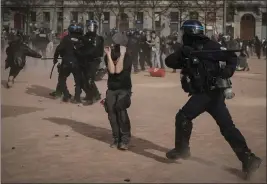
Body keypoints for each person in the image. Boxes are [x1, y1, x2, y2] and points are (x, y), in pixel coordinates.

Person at [165, 20, 261, 180]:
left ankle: (182, 150)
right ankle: (248, 159)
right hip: (209, 94)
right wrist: (184, 53)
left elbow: (231, 57)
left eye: (184, 33)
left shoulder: (212, 46)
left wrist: (227, 72)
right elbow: (169, 62)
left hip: (208, 93)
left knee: (183, 116)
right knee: (227, 127)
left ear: (190, 33)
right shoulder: (188, 50)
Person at [103, 44, 132, 150]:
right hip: (111, 89)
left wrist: (123, 54)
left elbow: (118, 70)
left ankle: (125, 140)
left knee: (120, 109)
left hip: (124, 88)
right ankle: (116, 139)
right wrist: (108, 55)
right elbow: (112, 70)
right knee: (111, 111)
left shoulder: (127, 56)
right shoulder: (108, 56)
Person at [53, 23, 84, 103]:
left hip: (66, 62)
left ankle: (66, 96)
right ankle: (77, 98)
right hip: (77, 64)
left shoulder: (66, 38)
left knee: (62, 79)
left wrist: (55, 59)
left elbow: (58, 49)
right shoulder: (82, 39)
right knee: (78, 81)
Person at [79, 20, 104, 105]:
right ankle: (89, 95)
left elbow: (100, 52)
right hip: (84, 60)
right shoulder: (84, 37)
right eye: (89, 27)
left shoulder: (99, 39)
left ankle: (96, 95)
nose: (91, 28)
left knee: (90, 79)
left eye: (92, 27)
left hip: (94, 61)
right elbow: (80, 48)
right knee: (83, 79)